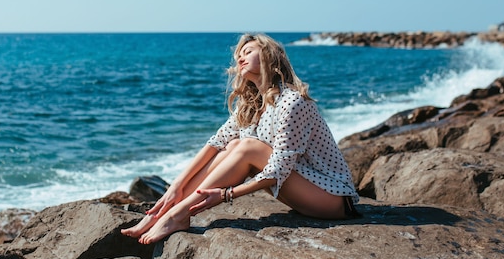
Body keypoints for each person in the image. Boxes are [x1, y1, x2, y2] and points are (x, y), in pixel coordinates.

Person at [122, 33, 360, 244]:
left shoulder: (292, 101)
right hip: (300, 190)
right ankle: (164, 213)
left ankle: (178, 215)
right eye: (238, 55)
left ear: (270, 55)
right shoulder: (252, 104)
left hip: (332, 199)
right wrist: (175, 187)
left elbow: (278, 170)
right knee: (234, 144)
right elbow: (216, 142)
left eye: (248, 52)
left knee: (247, 147)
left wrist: (226, 195)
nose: (240, 58)